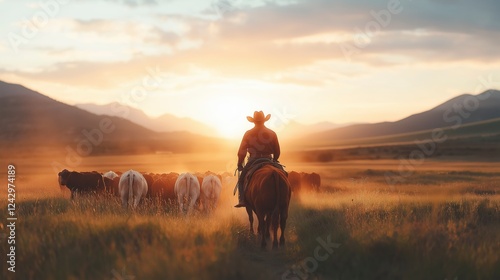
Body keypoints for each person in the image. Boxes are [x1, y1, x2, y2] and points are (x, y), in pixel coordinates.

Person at [234, 111, 281, 208]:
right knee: (283, 174)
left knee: (242, 179)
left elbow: (242, 151)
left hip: (253, 160)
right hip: (269, 159)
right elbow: (277, 151)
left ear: (254, 121)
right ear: (264, 121)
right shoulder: (272, 133)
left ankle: (242, 199)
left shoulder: (248, 133)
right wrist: (275, 160)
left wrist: (239, 164)